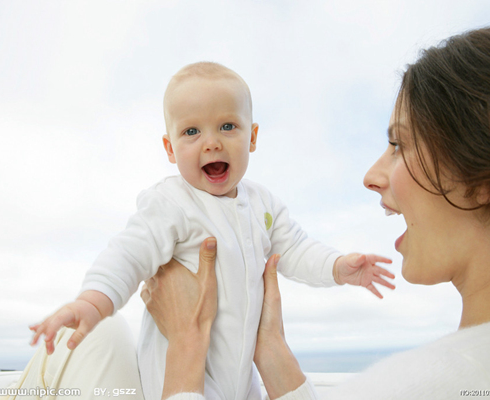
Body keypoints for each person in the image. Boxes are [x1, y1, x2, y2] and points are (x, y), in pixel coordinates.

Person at [143, 26, 490, 399]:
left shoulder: (427, 383)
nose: (371, 176)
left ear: (481, 180)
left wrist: (186, 346)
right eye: (192, 132)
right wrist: (272, 352)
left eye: (399, 145)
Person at [20, 62, 394, 400]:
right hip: (182, 373)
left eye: (227, 126)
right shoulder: (171, 203)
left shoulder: (263, 203)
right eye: (192, 131)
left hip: (244, 377)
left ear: (252, 137)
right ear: (170, 148)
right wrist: (93, 300)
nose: (212, 141)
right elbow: (128, 254)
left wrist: (337, 267)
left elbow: (294, 248)